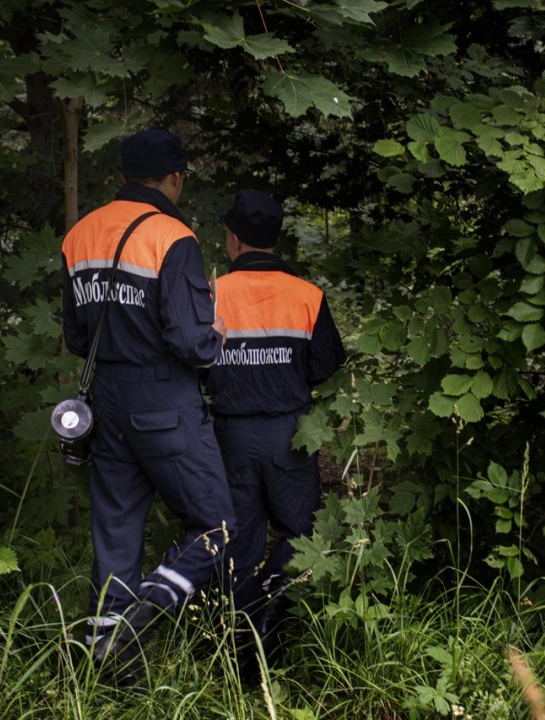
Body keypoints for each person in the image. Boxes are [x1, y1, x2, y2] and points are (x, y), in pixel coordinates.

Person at [59, 128, 235, 676]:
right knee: (218, 527)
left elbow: (75, 333)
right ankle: (149, 608)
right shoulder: (171, 236)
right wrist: (217, 337)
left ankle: (111, 667)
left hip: (104, 399)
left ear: (122, 177)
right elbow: (188, 339)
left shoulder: (80, 235)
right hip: (164, 398)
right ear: (175, 178)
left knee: (116, 534)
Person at [205, 189, 345, 677]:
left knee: (237, 541)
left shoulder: (212, 293)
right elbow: (326, 364)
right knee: (301, 533)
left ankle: (239, 650)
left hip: (231, 437)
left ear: (234, 239)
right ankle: (273, 618)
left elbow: (192, 359)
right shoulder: (308, 295)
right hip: (291, 434)